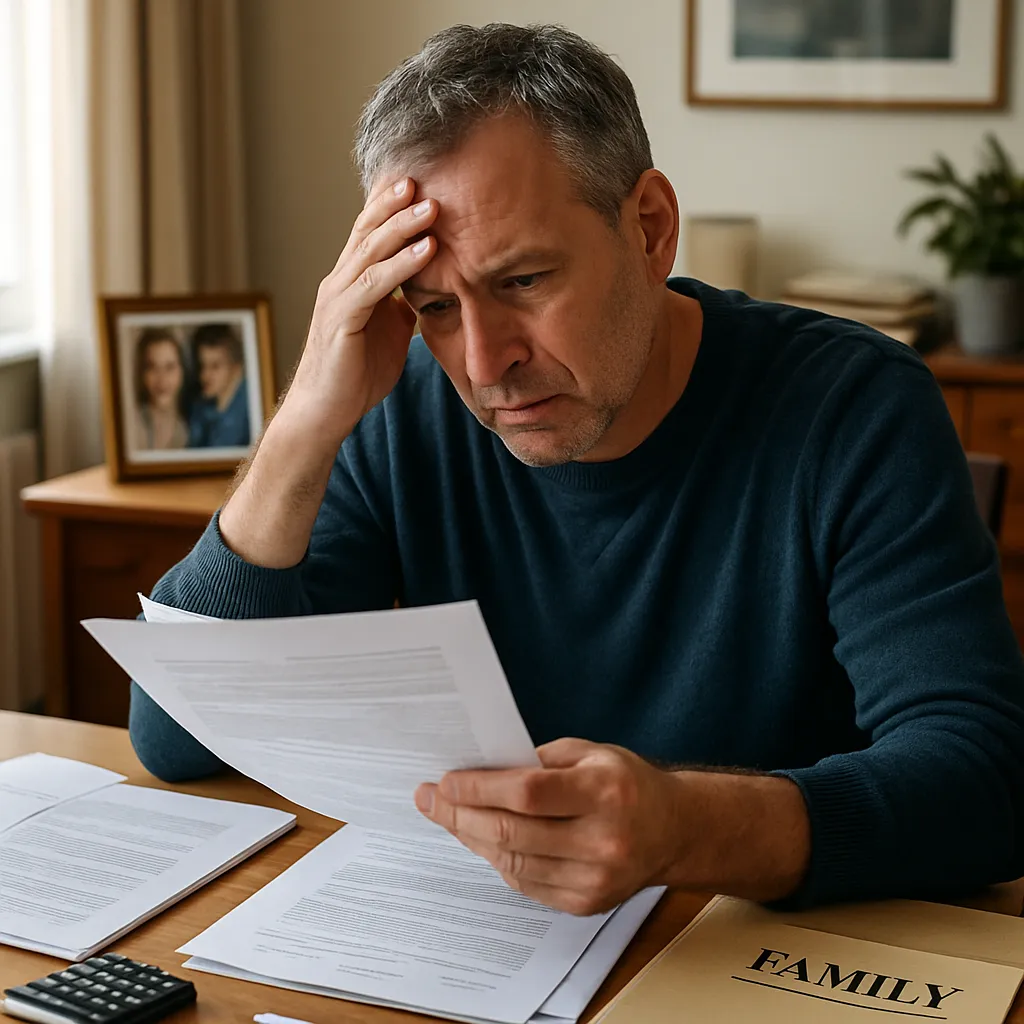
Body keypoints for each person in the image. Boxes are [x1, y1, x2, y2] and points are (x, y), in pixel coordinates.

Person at [128, 23, 1024, 915]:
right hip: (493, 942)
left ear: (651, 229)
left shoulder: (854, 405)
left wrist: (686, 830)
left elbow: (988, 779)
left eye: (523, 282)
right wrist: (302, 428)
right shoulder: (400, 403)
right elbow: (175, 741)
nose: (485, 363)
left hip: (763, 951)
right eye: (436, 306)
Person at [187, 323, 250, 448]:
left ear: (236, 368)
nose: (205, 375)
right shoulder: (199, 408)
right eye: (202, 366)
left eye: (215, 366)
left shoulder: (249, 407)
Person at [129, 328, 189, 451]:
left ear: (182, 372)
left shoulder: (186, 432)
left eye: (170, 367)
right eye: (152, 367)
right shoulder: (132, 426)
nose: (162, 379)